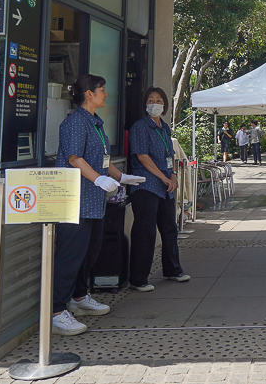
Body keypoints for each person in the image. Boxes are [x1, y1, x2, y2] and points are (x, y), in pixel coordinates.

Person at [51, 74, 144, 336]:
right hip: (75, 201)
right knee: (70, 256)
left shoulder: (95, 124)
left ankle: (79, 297)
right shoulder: (75, 122)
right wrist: (98, 179)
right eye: (102, 90)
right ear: (89, 94)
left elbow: (102, 159)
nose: (105, 94)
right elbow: (74, 158)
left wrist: (120, 176)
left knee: (90, 252)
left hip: (94, 202)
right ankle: (56, 311)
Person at [128, 86, 190, 292]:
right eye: (151, 100)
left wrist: (172, 175)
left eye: (160, 101)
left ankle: (173, 269)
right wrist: (164, 177)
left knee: (169, 228)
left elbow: (169, 155)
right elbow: (142, 157)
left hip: (165, 184)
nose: (156, 104)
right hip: (147, 185)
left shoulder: (164, 128)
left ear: (165, 105)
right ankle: (139, 278)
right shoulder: (140, 127)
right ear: (146, 104)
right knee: (145, 231)